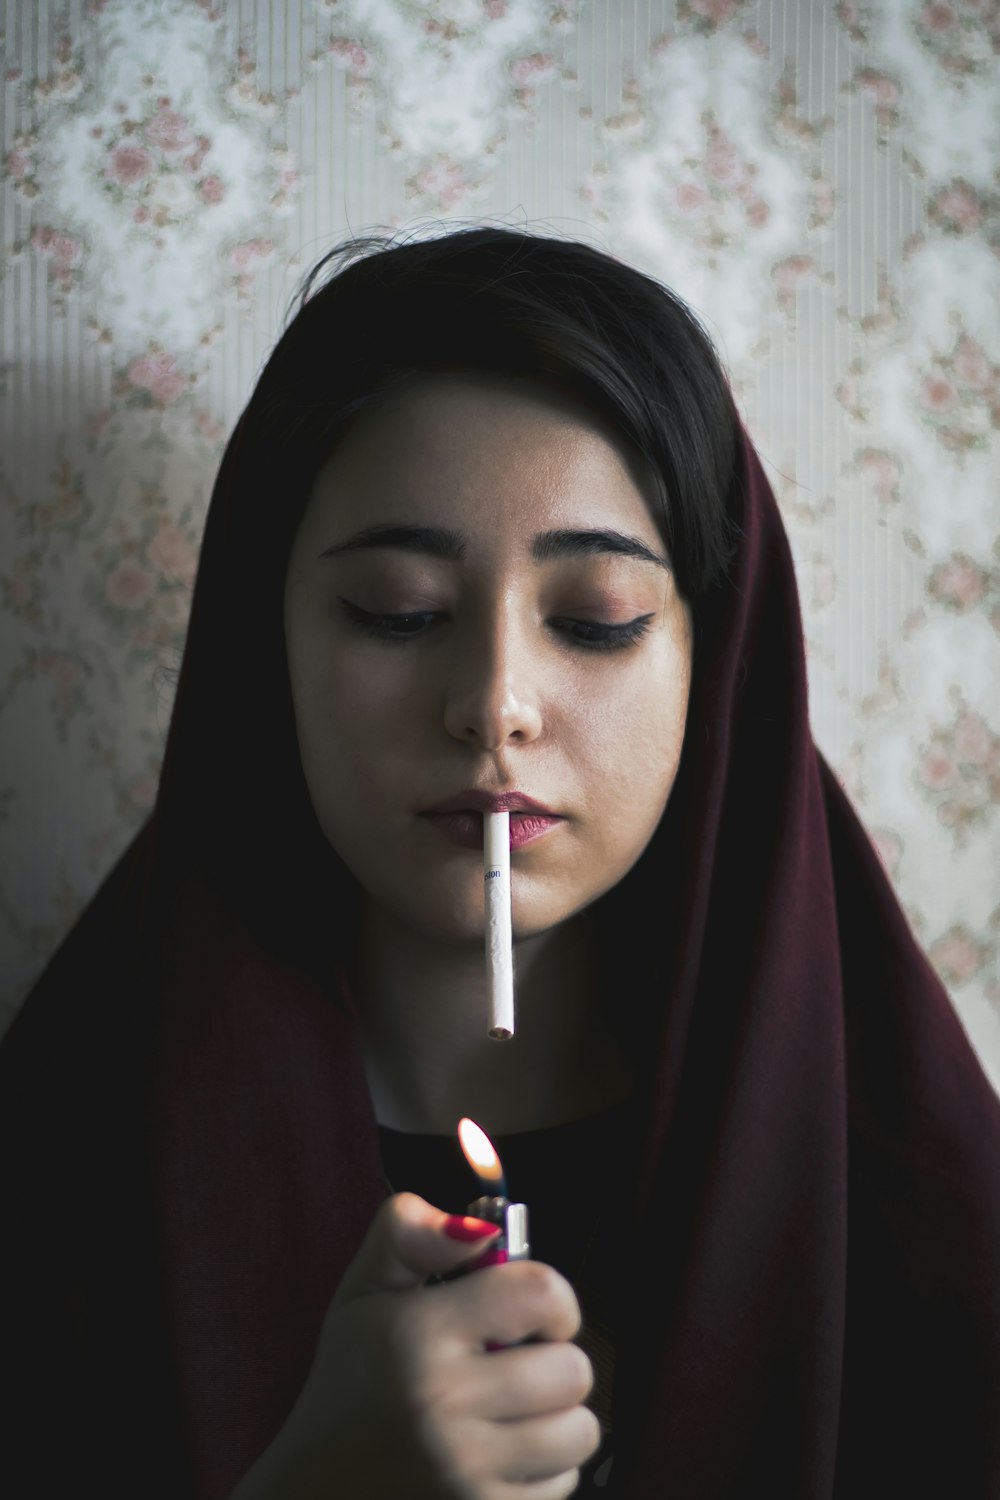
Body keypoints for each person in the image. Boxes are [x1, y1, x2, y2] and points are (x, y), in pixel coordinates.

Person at [1, 226, 998, 1500]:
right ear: (270, 646)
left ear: (717, 661)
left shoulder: (897, 1172)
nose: (494, 704)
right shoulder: (71, 1161)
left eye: (597, 621)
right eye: (399, 611)